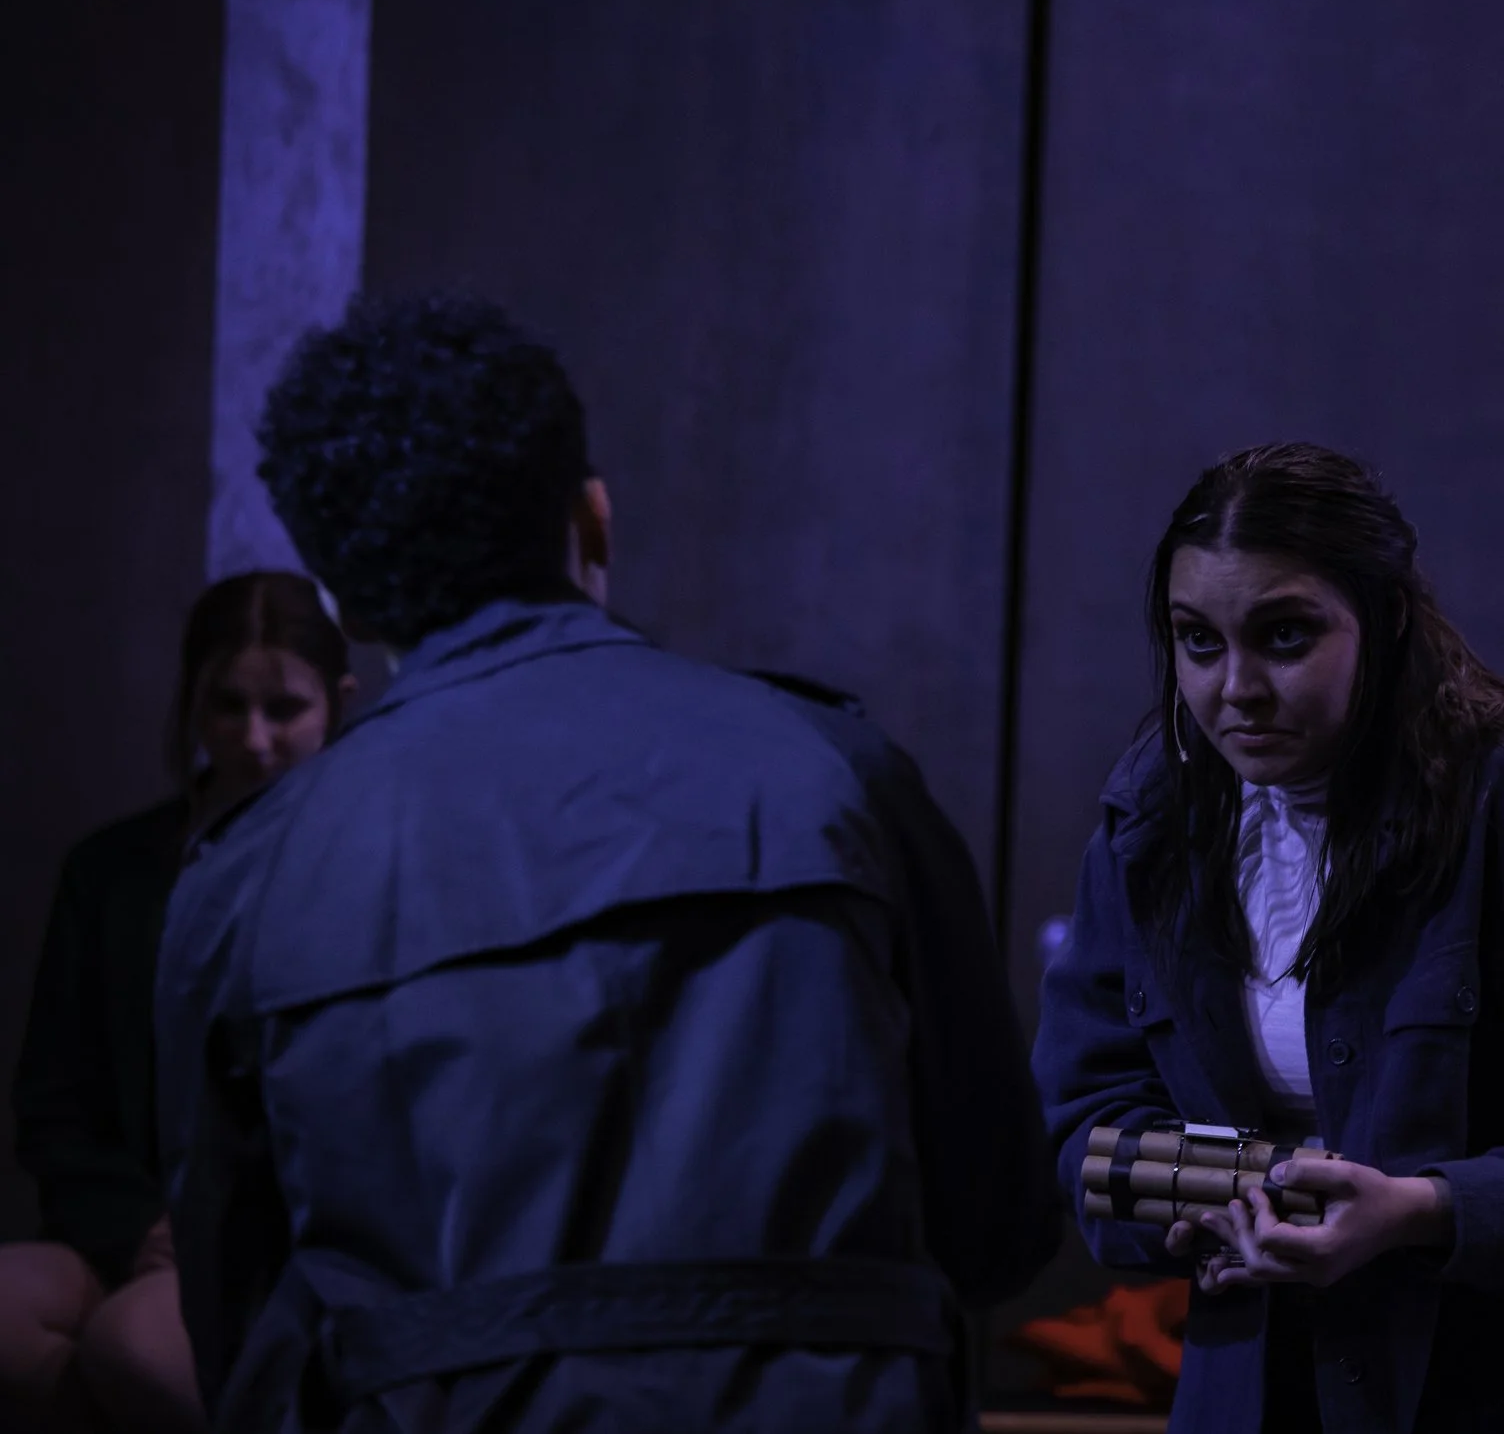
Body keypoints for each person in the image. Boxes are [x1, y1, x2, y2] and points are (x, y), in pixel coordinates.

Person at [153, 292, 1058, 1433]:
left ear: (344, 602)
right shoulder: (840, 773)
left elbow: (239, 1331)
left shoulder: (249, 880)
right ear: (593, 518)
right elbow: (998, 1225)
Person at [1029, 441, 1504, 1434]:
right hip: (1254, 1385)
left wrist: (1419, 1209)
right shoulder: (1154, 819)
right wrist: (1193, 1200)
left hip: (1498, 1392)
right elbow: (1083, 1115)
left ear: (1387, 619)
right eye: (1198, 640)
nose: (1236, 687)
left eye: (1285, 635)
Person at [3, 571, 351, 1434]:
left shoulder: (365, 872)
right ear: (192, 699)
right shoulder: (112, 873)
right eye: (228, 705)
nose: (254, 739)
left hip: (286, 1247)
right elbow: (54, 1101)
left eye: (285, 708)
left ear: (337, 705)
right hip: (137, 1227)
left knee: (135, 1342)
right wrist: (136, 1227)